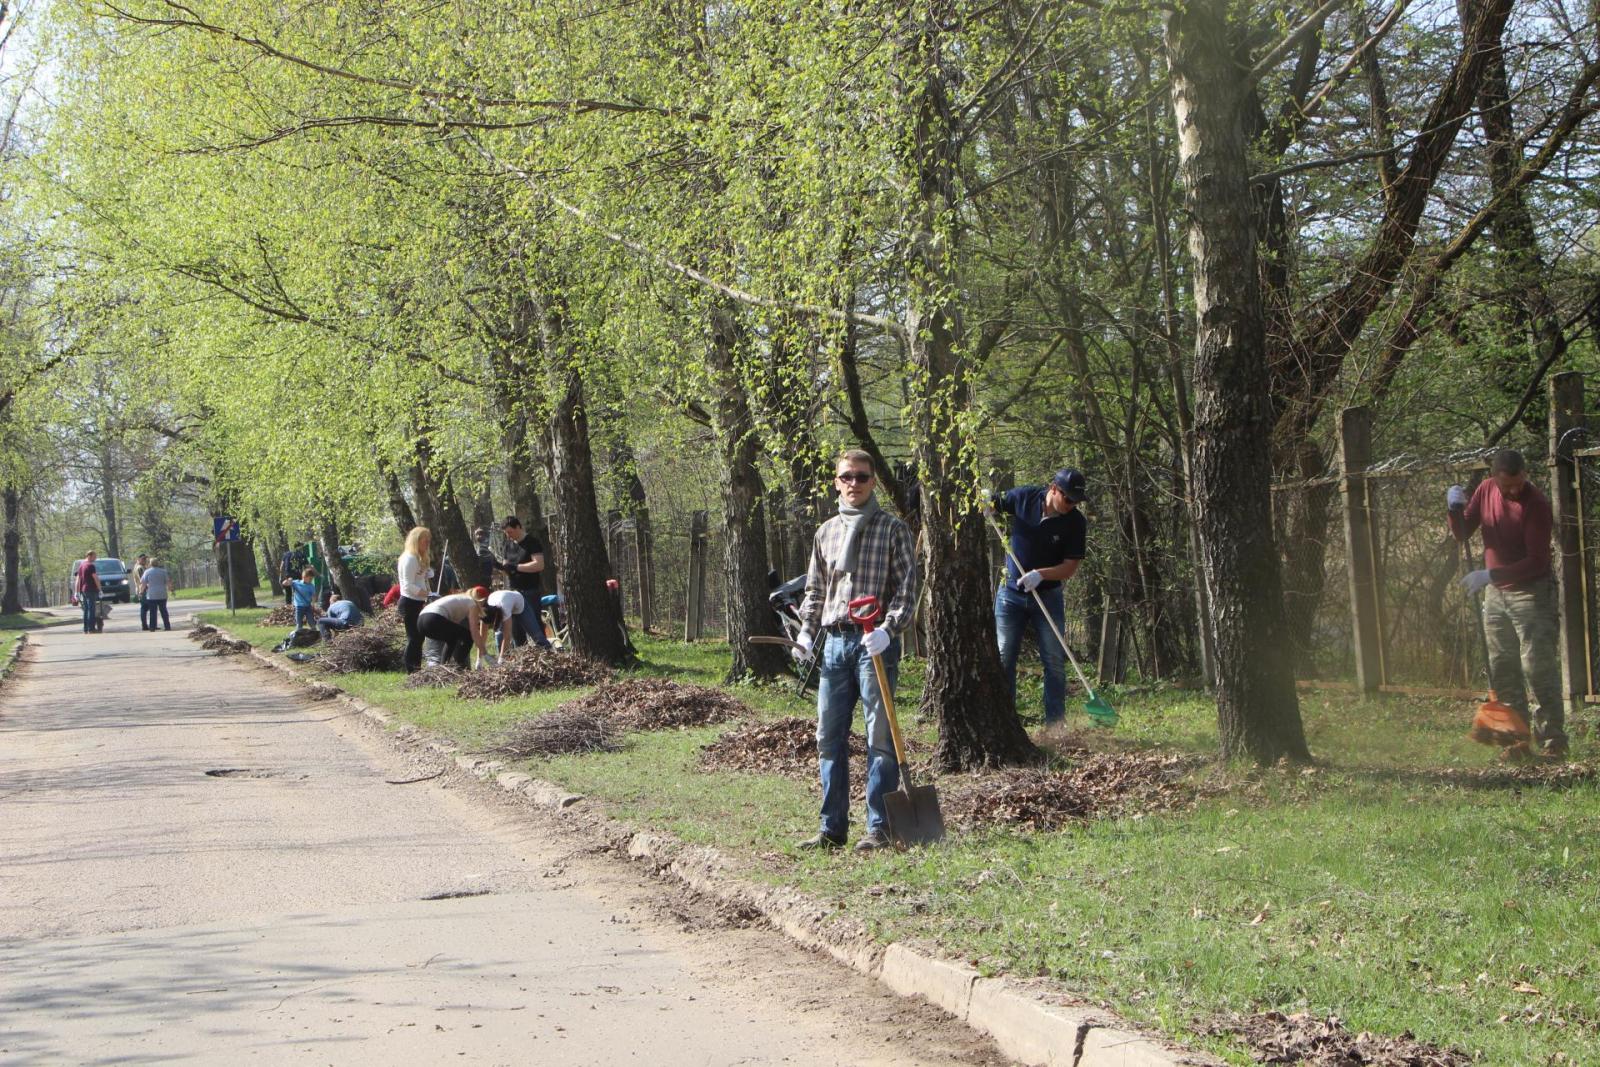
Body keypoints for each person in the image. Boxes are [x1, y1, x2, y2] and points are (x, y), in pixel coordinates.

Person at [792, 450, 919, 852]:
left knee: (879, 739)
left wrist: (887, 629)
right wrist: (806, 633)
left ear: (873, 482)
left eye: (862, 477)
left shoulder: (892, 529)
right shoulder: (825, 532)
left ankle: (878, 828)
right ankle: (831, 829)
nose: (854, 483)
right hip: (833, 645)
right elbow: (814, 591)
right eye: (846, 476)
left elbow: (907, 590)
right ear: (836, 481)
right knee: (828, 738)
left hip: (874, 648)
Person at [1449, 449, 1566, 761]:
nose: (1514, 490)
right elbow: (1462, 533)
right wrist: (1454, 509)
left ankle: (1553, 742)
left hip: (1531, 593)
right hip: (1497, 594)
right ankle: (1516, 743)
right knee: (1502, 668)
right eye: (1507, 486)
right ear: (1494, 478)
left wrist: (1490, 574)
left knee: (1536, 666)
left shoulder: (1536, 504)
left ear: (1525, 473)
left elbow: (1536, 562)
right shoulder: (1486, 491)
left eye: (1518, 483)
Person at [990, 469, 1089, 730]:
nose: (1072, 506)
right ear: (1054, 489)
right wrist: (987, 504)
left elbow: (1069, 567)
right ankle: (1006, 723)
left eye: (1077, 501)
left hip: (1048, 596)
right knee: (1003, 657)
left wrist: (1041, 575)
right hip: (1009, 594)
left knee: (1054, 660)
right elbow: (996, 502)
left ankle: (1055, 725)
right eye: (1068, 499)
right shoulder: (1024, 497)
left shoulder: (1076, 523)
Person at [499, 517, 552, 649]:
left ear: (518, 527)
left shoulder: (532, 542)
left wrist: (516, 567)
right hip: (514, 591)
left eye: (510, 532)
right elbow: (507, 565)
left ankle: (543, 651)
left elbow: (539, 565)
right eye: (506, 533)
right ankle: (522, 654)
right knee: (516, 628)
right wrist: (504, 568)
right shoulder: (508, 545)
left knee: (534, 624)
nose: (508, 535)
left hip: (530, 591)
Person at [417, 585, 491, 668]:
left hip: (421, 622)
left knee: (452, 639)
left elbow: (454, 626)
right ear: (482, 600)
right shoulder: (472, 603)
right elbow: (474, 632)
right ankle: (459, 666)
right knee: (468, 636)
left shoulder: (460, 600)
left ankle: (444, 667)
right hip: (433, 618)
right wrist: (485, 654)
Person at [397, 526, 433, 672]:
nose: (427, 544)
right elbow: (407, 585)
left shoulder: (419, 558)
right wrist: (426, 594)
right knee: (413, 638)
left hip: (418, 602)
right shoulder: (409, 558)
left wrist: (428, 572)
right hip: (409, 602)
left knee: (419, 638)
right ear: (417, 540)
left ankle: (416, 668)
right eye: (425, 541)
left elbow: (421, 577)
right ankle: (411, 670)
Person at [486, 588, 527, 657]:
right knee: (499, 638)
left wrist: (501, 659)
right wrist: (480, 657)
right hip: (503, 602)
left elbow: (507, 636)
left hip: (519, 604)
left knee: (520, 636)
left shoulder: (504, 609)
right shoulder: (486, 611)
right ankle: (506, 660)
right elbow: (483, 632)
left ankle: (521, 657)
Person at [138, 558, 172, 631]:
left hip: (152, 595)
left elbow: (143, 583)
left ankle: (152, 627)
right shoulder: (163, 571)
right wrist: (170, 589)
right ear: (158, 563)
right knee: (164, 610)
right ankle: (167, 626)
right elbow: (168, 582)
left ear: (150, 564)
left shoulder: (147, 572)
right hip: (162, 594)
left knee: (153, 612)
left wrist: (141, 592)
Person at [73, 550, 102, 634]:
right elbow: (95, 578)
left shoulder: (81, 566)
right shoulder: (90, 566)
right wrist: (100, 589)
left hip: (83, 590)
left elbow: (78, 579)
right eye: (94, 556)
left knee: (86, 609)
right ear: (89, 556)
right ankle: (91, 628)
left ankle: (85, 628)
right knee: (91, 609)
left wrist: (77, 591)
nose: (95, 558)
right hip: (90, 589)